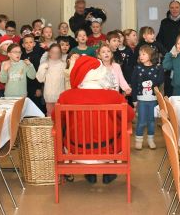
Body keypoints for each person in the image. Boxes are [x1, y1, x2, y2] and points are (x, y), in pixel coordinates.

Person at [54, 56, 135, 184]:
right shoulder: (114, 96)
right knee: (117, 128)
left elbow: (55, 118)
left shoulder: (66, 96)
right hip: (109, 151)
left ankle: (90, 172)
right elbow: (130, 116)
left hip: (76, 151)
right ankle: (109, 171)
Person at [131, 45, 164, 150]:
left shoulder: (158, 68)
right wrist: (134, 100)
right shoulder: (137, 68)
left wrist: (160, 69)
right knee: (141, 121)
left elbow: (160, 80)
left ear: (151, 55)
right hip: (141, 100)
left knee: (151, 121)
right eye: (140, 54)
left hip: (153, 100)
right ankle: (138, 140)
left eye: (144, 54)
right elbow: (134, 84)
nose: (141, 56)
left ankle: (150, 140)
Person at [36, 44, 66, 116]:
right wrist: (43, 69)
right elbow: (40, 79)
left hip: (61, 96)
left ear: (60, 53)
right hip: (49, 96)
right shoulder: (45, 64)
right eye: (53, 52)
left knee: (61, 116)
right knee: (50, 115)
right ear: (49, 53)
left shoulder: (64, 64)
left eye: (57, 52)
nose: (55, 54)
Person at [21, 34, 46, 113]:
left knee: (35, 108)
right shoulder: (20, 56)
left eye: (31, 42)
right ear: (23, 45)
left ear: (34, 44)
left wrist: (38, 88)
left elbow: (39, 73)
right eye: (26, 43)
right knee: (24, 108)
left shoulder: (38, 56)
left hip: (34, 86)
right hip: (23, 86)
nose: (29, 44)